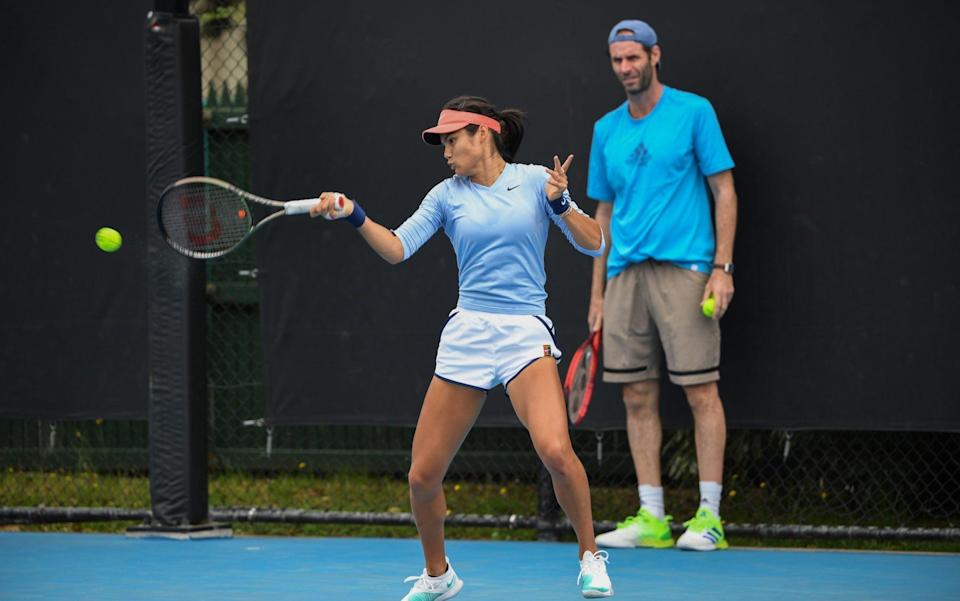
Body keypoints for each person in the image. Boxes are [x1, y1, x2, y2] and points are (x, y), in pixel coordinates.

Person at [310, 96, 615, 599]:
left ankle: (590, 556)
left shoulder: (539, 181)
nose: (446, 151)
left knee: (557, 451)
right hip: (469, 331)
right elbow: (398, 247)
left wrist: (562, 202)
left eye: (452, 140)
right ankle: (438, 575)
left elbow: (595, 242)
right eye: (443, 143)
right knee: (422, 475)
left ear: (483, 134)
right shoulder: (445, 196)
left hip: (524, 330)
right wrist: (352, 213)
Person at [587, 19, 739, 552]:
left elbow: (724, 190)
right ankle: (652, 517)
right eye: (616, 60)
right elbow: (602, 212)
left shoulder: (694, 112)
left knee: (700, 391)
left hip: (688, 269)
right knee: (635, 394)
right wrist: (598, 293)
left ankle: (710, 517)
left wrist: (723, 268)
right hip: (624, 273)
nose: (625, 68)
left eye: (633, 58)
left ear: (655, 56)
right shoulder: (606, 129)